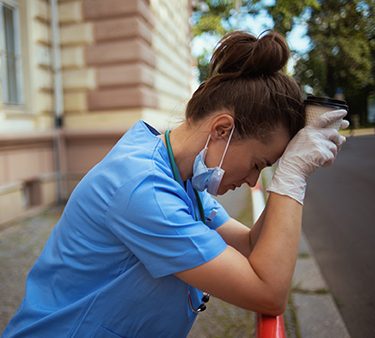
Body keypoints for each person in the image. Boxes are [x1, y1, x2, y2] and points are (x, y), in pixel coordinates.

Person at [2, 31, 348, 338]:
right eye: (258, 164)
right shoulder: (141, 188)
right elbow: (268, 291)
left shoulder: (178, 174)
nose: (252, 180)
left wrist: (292, 168)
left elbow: (250, 246)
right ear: (222, 130)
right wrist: (292, 177)